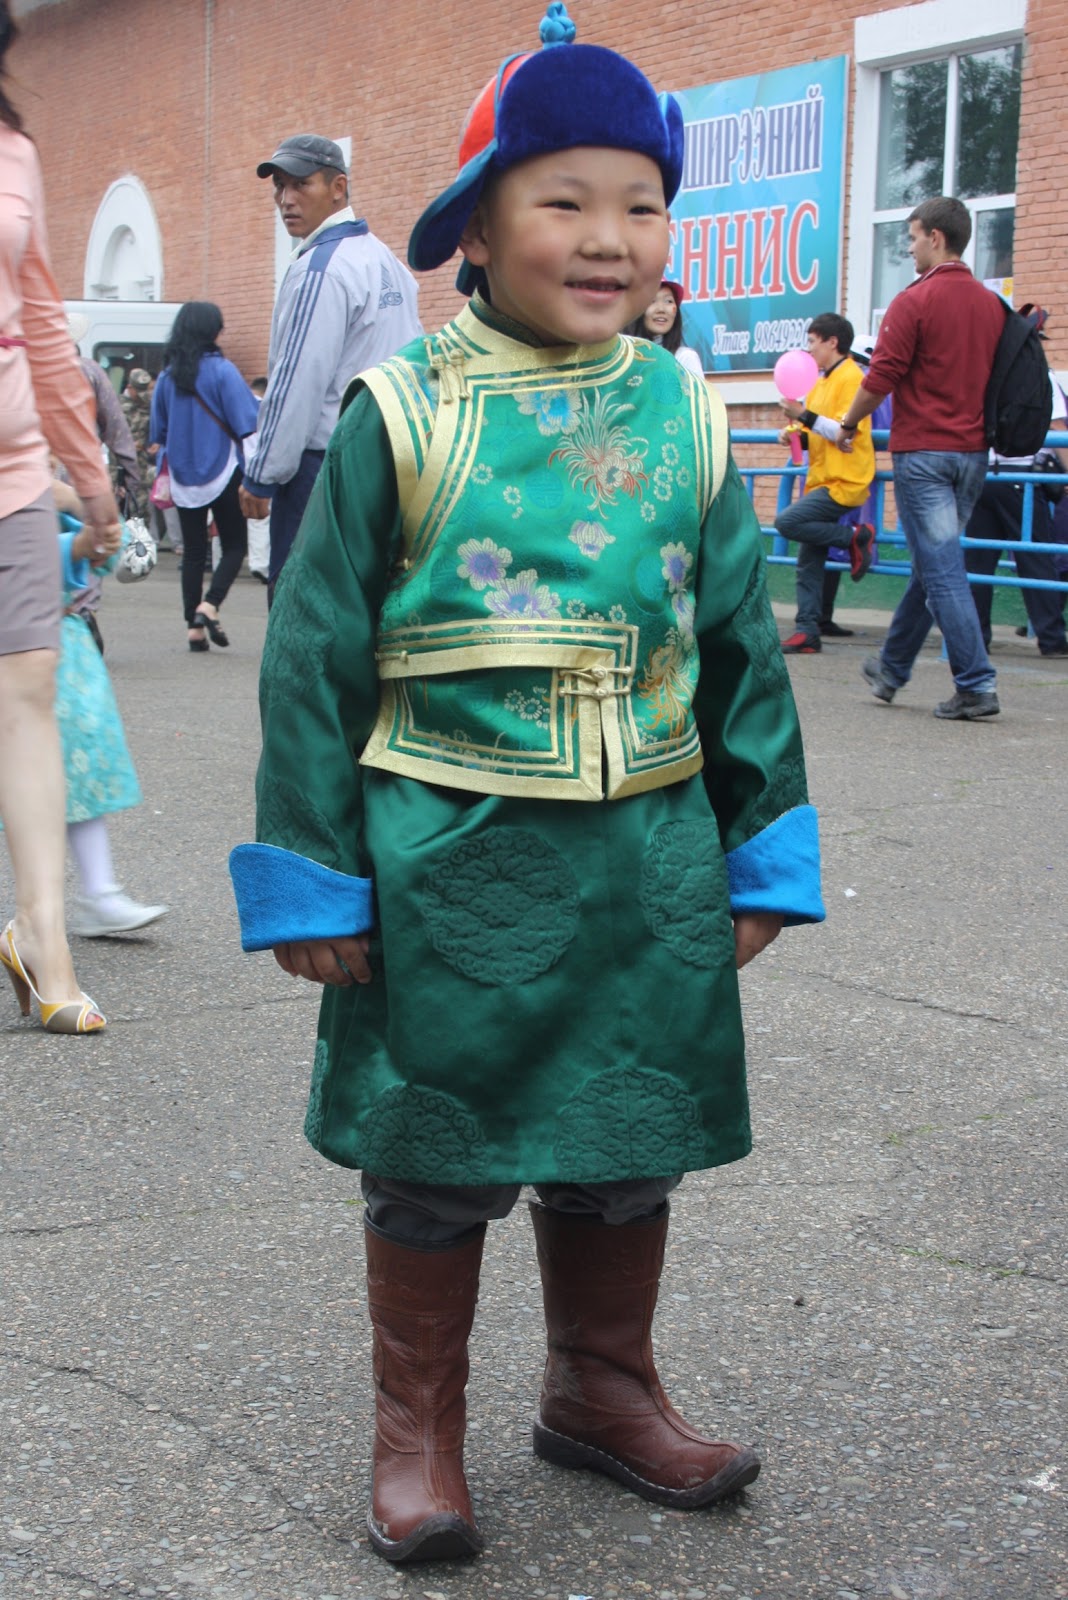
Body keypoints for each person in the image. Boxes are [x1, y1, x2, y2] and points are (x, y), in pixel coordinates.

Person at [230, 3, 824, 1568]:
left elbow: (737, 645)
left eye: (641, 203)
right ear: (476, 230)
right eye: (565, 199)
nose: (610, 236)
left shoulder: (692, 409)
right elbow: (312, 662)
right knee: (435, 1151)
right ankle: (416, 1433)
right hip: (447, 852)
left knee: (632, 1129)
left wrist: (758, 853)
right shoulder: (404, 411)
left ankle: (600, 1388)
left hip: (649, 853)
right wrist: (317, 875)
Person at [0, 0, 118, 1034]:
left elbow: (39, 315)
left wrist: (90, 475)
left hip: (10, 473)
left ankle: (44, 937)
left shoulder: (13, 153)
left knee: (30, 682)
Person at [839, 196, 1006, 719]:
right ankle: (891, 668)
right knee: (934, 563)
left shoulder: (913, 302)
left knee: (943, 570)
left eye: (912, 237)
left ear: (936, 237)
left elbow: (880, 378)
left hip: (925, 454)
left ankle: (976, 685)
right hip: (973, 454)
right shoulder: (991, 305)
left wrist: (847, 423)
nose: (909, 248)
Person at [238, 133, 422, 603]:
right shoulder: (385, 261)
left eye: (300, 184)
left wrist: (262, 472)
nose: (286, 199)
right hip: (388, 463)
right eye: (279, 187)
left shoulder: (320, 269)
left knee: (302, 615)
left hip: (322, 471)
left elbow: (295, 381)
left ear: (338, 188)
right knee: (364, 610)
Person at [46, 485, 168, 935]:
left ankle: (99, 892)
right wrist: (73, 540)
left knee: (78, 768)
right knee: (32, 778)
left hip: (61, 638)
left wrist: (92, 534)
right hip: (25, 641)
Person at [150, 302, 259, 651]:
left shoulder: (167, 377)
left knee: (193, 552)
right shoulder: (223, 371)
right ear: (212, 331)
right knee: (235, 545)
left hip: (183, 472)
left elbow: (159, 431)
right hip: (223, 469)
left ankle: (192, 630)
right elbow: (248, 423)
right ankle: (209, 606)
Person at [773, 313, 876, 653]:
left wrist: (802, 415)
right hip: (821, 479)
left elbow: (842, 430)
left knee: (786, 522)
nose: (809, 350)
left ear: (833, 342)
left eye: (813, 342)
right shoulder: (819, 382)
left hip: (844, 479)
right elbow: (815, 429)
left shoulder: (851, 378)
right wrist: (791, 432)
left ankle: (854, 537)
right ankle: (808, 630)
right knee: (809, 559)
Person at [964, 334, 1068, 657]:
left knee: (978, 562)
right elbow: (1059, 431)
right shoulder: (1039, 375)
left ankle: (977, 638)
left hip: (981, 475)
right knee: (1035, 559)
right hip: (1021, 477)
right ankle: (1051, 639)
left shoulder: (981, 372)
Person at [66, 313, 142, 515]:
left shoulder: (25, 369)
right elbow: (117, 429)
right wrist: (129, 480)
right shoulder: (90, 371)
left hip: (35, 479)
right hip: (85, 478)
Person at [624, 278, 703, 377]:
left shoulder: (684, 358)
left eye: (668, 301)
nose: (661, 309)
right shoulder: (621, 360)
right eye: (652, 301)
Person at [243, 376, 270, 583]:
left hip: (231, 465)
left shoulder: (237, 404)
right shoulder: (266, 408)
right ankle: (260, 564)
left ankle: (219, 562)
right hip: (256, 466)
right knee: (259, 518)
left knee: (221, 523)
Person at [119, 367, 156, 520]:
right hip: (122, 466)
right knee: (123, 510)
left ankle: (139, 543)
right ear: (129, 387)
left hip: (142, 465)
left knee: (141, 510)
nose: (142, 396)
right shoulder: (116, 407)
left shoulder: (148, 404)